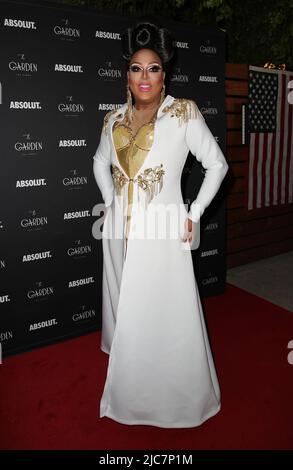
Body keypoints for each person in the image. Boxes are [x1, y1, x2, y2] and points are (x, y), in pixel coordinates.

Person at [93, 20, 229, 428]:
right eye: (136, 68)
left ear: (164, 74)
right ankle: (129, 375)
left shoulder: (183, 113)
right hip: (118, 232)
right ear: (127, 75)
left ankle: (172, 394)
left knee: (165, 314)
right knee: (124, 307)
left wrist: (193, 213)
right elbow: (100, 162)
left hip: (163, 234)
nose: (144, 76)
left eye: (153, 68)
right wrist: (111, 201)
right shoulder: (112, 118)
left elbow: (217, 165)